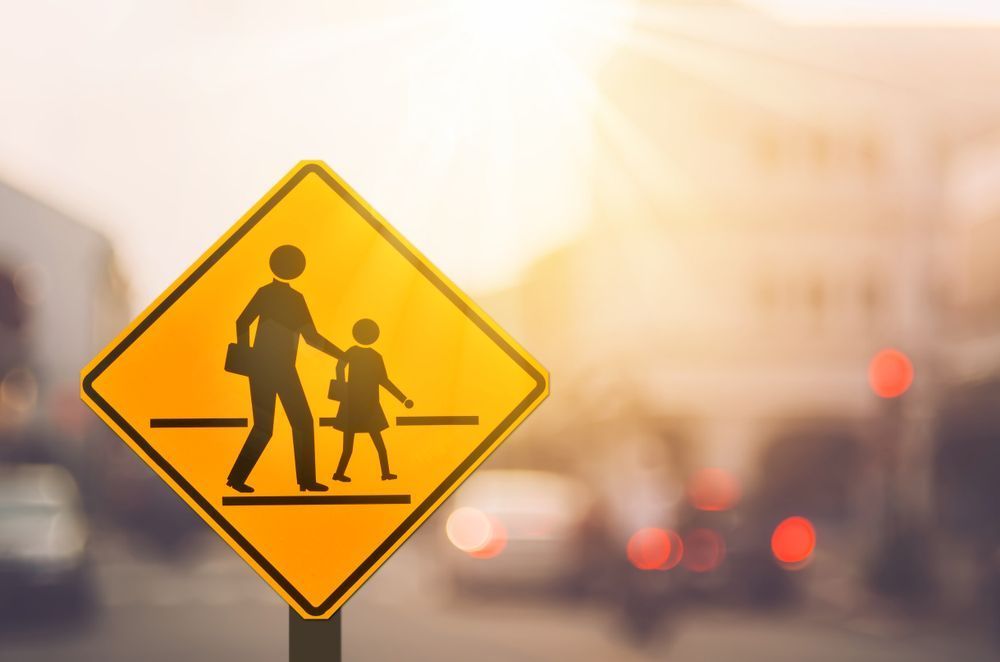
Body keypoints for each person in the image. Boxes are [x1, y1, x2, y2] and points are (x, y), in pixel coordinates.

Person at [226, 245, 341, 493]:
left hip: (266, 368)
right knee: (297, 422)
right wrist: (341, 355)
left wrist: (249, 355)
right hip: (277, 368)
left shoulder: (267, 293)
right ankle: (304, 481)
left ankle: (240, 479)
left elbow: (242, 322)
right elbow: (312, 338)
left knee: (269, 426)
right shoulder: (292, 299)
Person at [331, 318, 412, 482]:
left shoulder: (360, 353)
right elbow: (384, 381)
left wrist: (403, 399)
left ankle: (384, 473)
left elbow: (383, 380)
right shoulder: (370, 355)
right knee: (359, 445)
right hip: (360, 405)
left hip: (362, 405)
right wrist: (342, 385)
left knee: (363, 444)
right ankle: (340, 473)